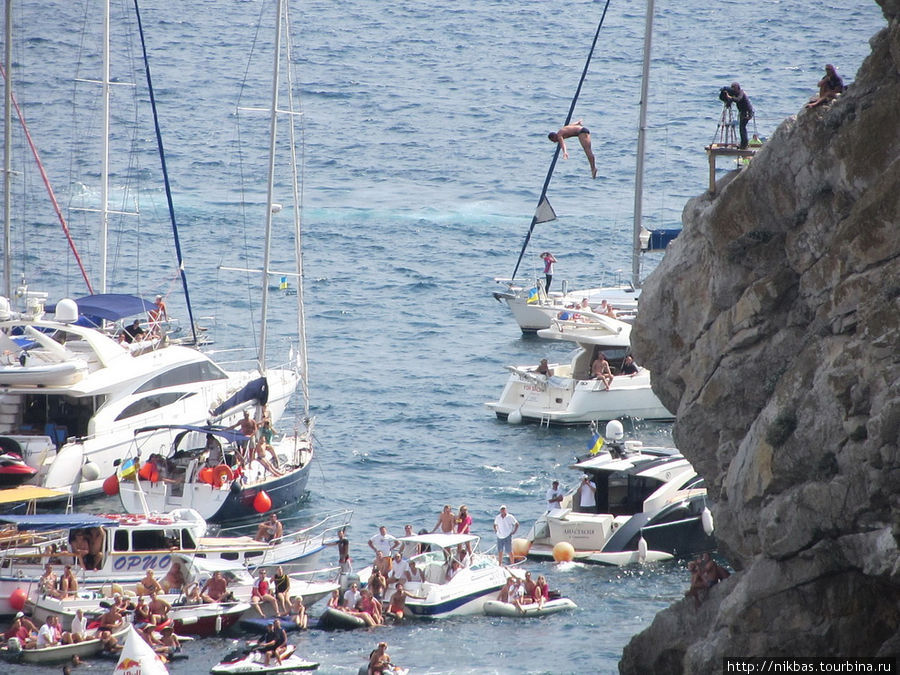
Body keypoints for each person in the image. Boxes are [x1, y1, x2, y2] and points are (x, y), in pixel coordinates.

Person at [719, 82, 754, 148]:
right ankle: (744, 144)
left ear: (738, 88)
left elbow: (738, 99)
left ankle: (744, 145)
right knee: (742, 127)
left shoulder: (741, 92)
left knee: (742, 127)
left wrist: (730, 98)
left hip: (747, 112)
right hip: (743, 112)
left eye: (734, 88)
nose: (733, 90)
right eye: (732, 88)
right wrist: (728, 101)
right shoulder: (735, 93)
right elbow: (730, 99)